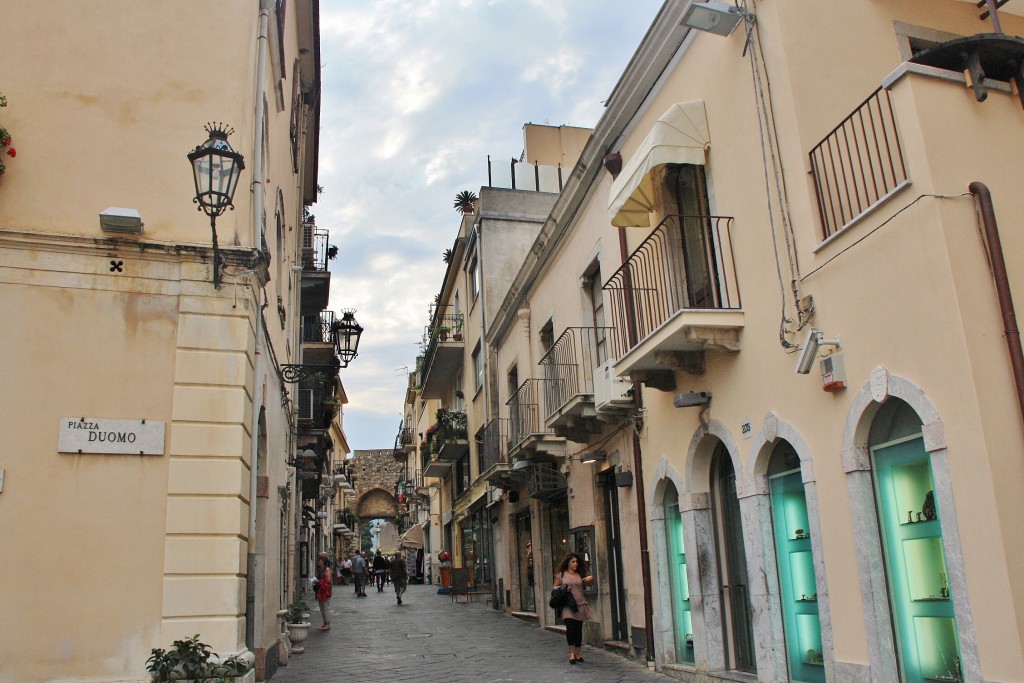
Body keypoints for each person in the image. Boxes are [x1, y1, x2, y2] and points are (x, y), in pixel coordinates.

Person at [553, 552, 593, 665]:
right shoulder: (561, 574)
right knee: (570, 629)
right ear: (568, 563)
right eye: (573, 562)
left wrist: (590, 578)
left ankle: (577, 653)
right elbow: (554, 588)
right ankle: (571, 653)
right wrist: (564, 588)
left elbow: (590, 581)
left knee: (578, 629)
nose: (575, 564)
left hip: (580, 604)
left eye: (576, 562)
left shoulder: (580, 573)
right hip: (567, 605)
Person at [314, 553, 333, 631]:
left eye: (320, 560)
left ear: (323, 561)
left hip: (325, 590)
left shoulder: (326, 569)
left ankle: (327, 624)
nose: (318, 562)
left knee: (325, 607)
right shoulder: (319, 569)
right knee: (321, 607)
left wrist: (318, 581)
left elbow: (328, 580)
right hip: (320, 590)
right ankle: (325, 623)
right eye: (318, 560)